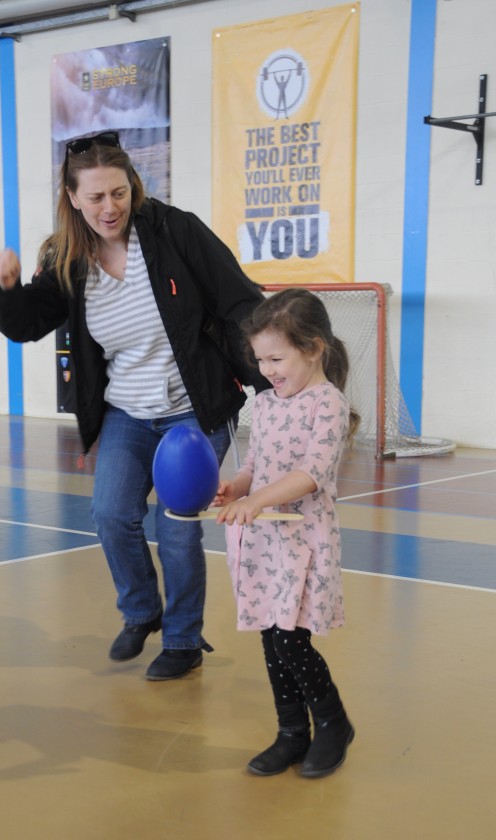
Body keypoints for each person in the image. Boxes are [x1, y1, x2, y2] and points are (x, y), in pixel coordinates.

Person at [0, 130, 267, 681]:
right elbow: (26, 324)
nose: (109, 207)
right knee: (111, 514)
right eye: (95, 197)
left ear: (132, 187)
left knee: (179, 525)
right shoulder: (67, 258)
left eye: (118, 193)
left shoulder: (174, 231)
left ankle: (184, 641)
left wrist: (271, 379)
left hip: (194, 409)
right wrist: (7, 288)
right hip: (127, 412)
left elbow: (239, 300)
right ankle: (142, 611)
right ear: (72, 198)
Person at [212, 288, 359, 778]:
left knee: (292, 641)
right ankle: (292, 733)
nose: (268, 369)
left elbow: (313, 472)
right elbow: (256, 462)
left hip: (303, 539)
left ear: (313, 348)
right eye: (261, 360)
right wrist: (237, 486)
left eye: (277, 358)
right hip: (264, 542)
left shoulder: (328, 403)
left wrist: (257, 500)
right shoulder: (268, 404)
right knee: (271, 640)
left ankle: (333, 723)